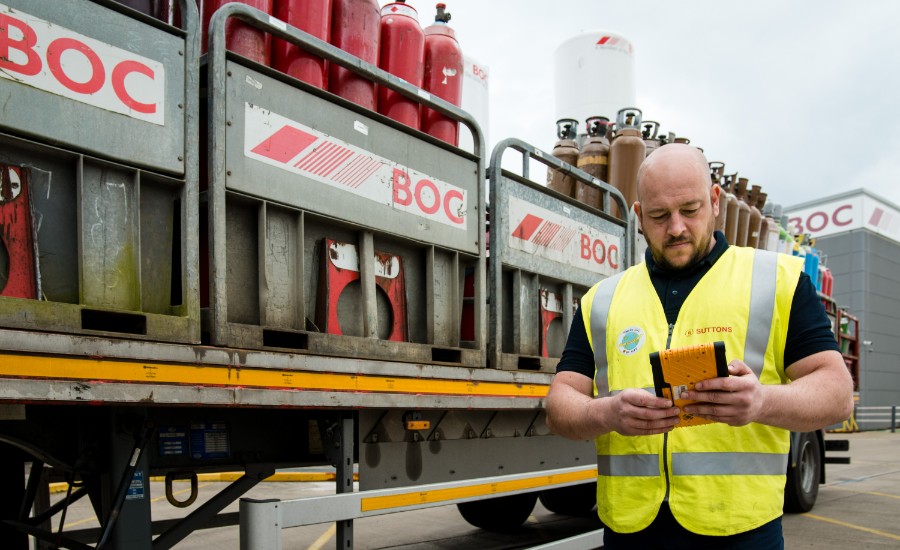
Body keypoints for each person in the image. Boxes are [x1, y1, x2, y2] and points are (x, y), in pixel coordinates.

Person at [545, 144, 854, 549]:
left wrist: (761, 402)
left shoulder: (776, 280)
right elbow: (559, 403)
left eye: (690, 210)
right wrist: (605, 412)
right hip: (631, 532)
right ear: (638, 217)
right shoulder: (602, 300)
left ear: (714, 201)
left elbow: (837, 392)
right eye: (658, 216)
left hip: (740, 533)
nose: (675, 228)